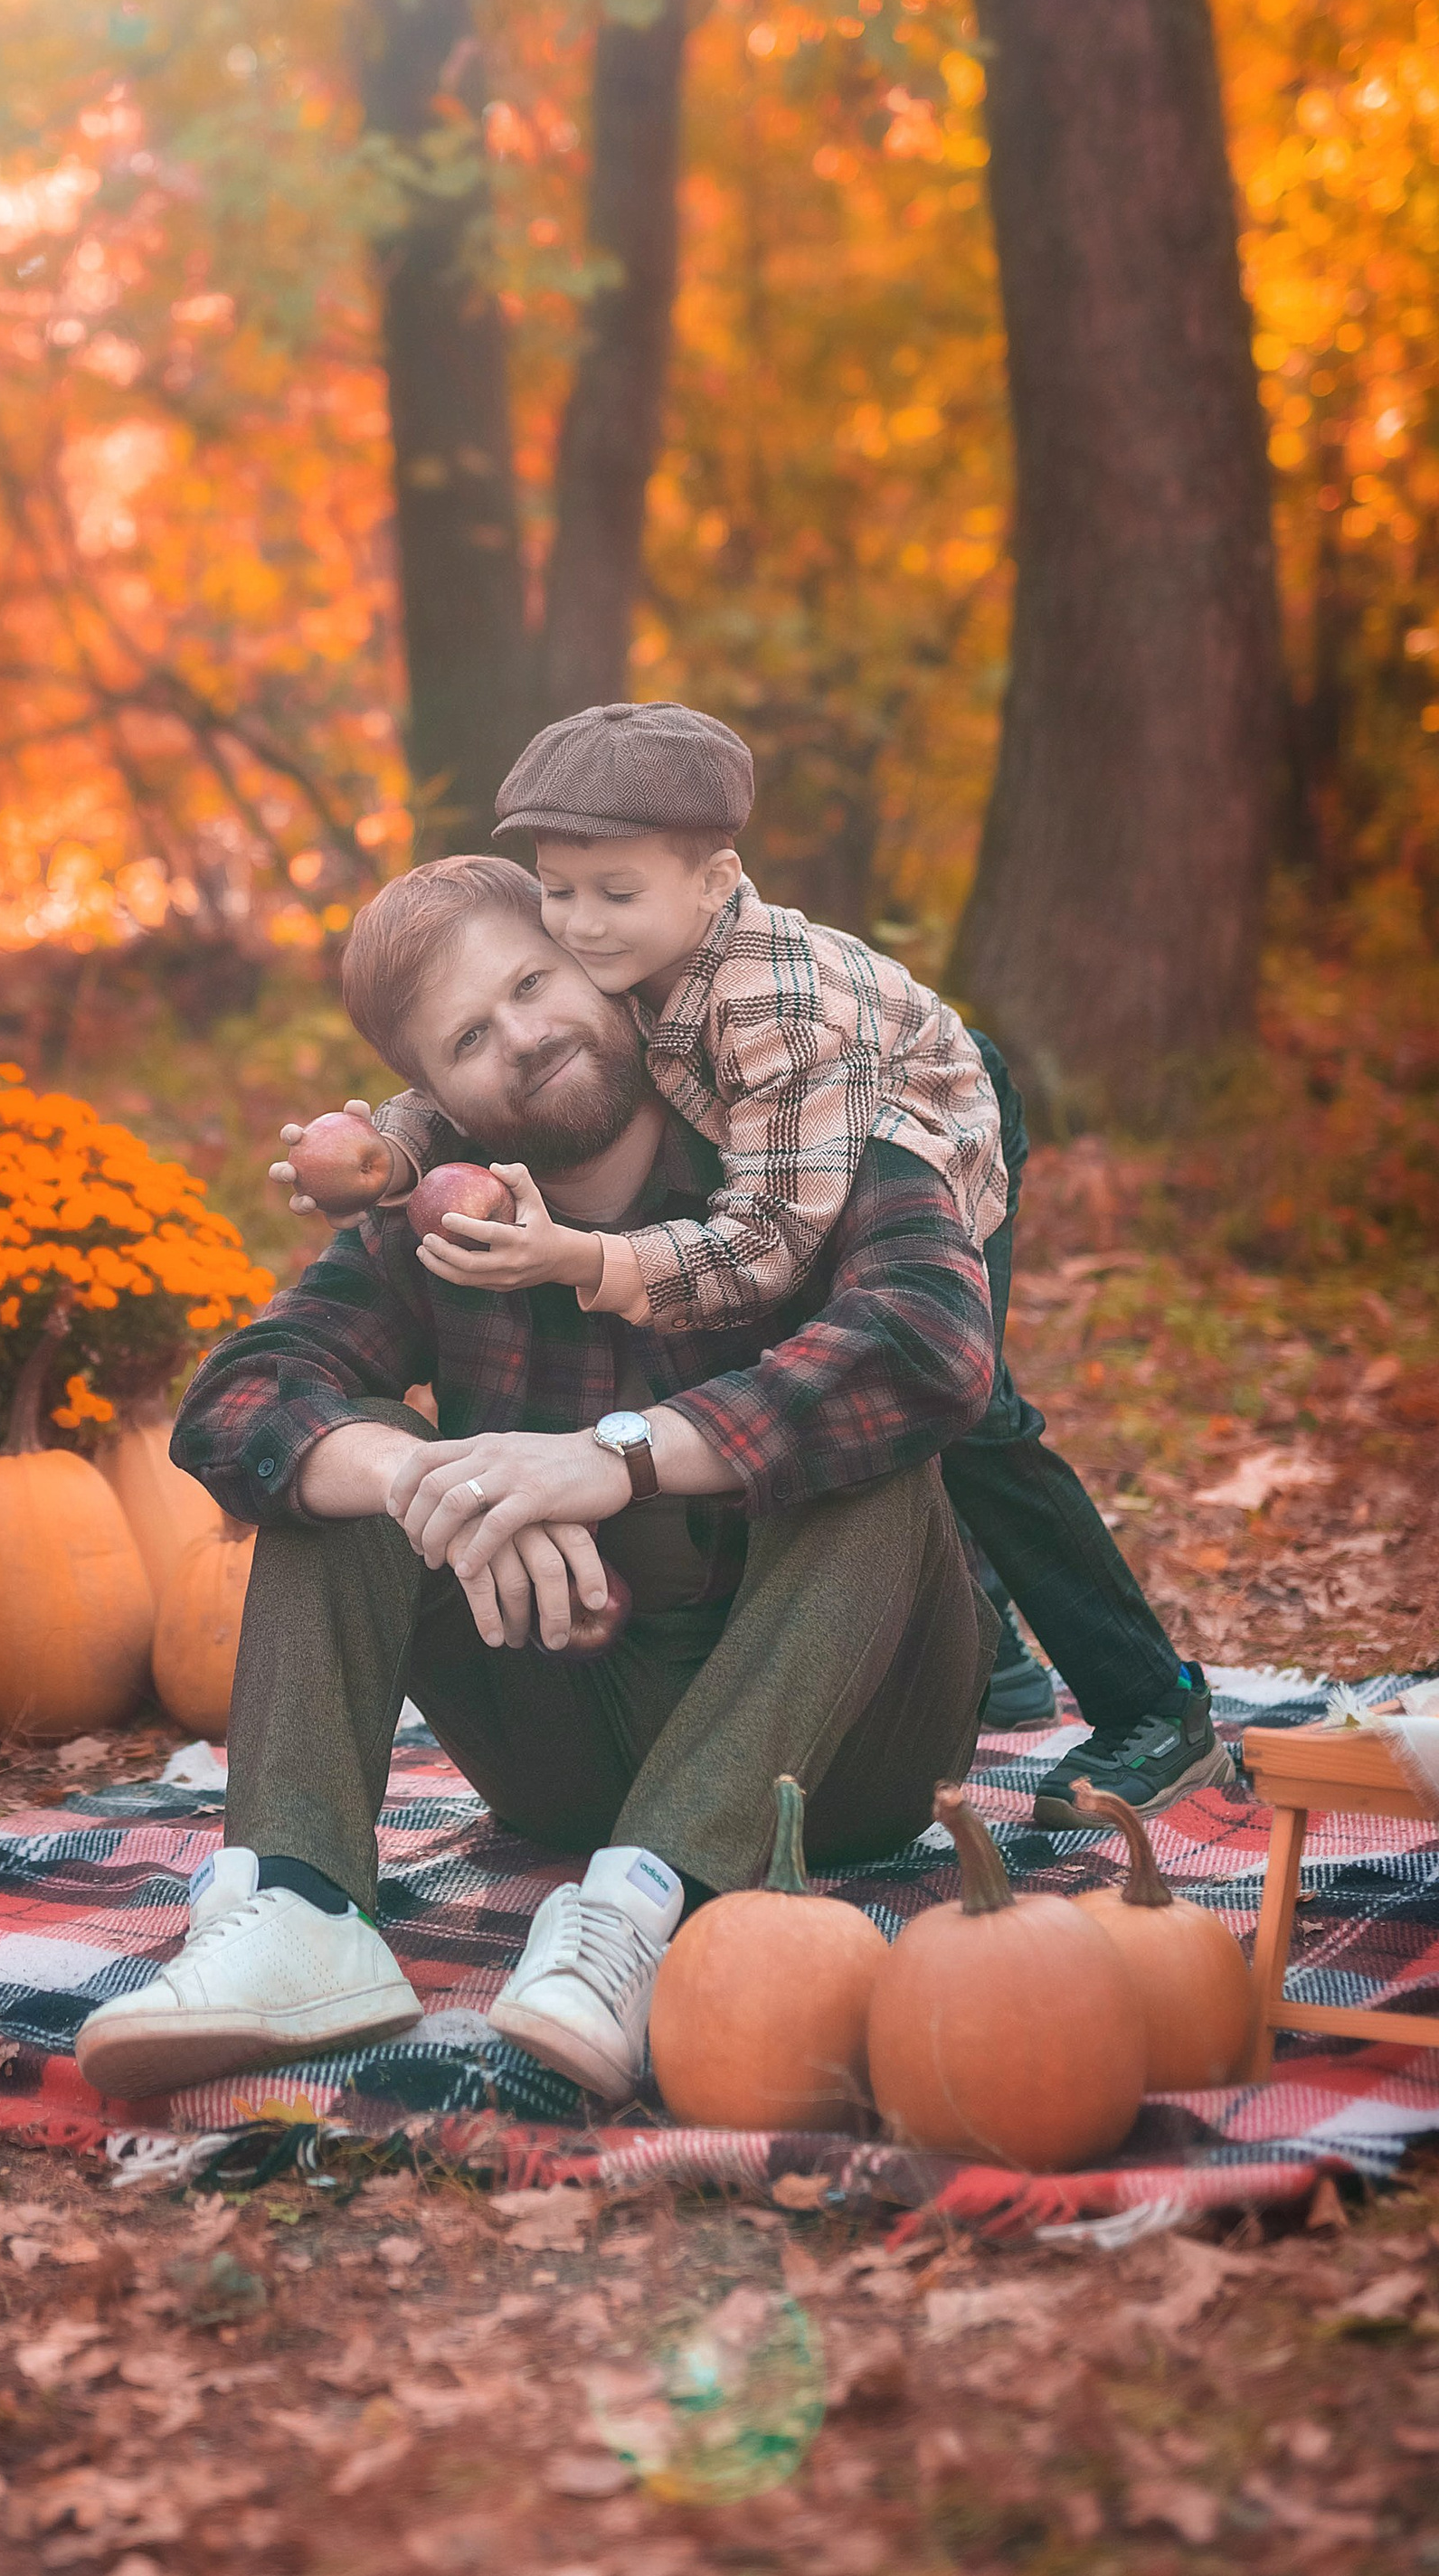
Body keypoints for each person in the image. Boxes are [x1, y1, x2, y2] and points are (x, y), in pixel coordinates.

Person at [75, 854, 1004, 2106]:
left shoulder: (801, 1123)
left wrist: (606, 1460)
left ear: (603, 964)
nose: (521, 1035)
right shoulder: (441, 1214)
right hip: (568, 1738)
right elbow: (236, 1400)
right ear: (431, 1088)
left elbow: (933, 1340)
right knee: (332, 1450)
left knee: (866, 1434)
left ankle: (653, 1906)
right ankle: (302, 1909)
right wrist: (433, 1480)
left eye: (533, 981)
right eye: (469, 1034)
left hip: (844, 1749)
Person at [274, 703, 1226, 1833]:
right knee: (860, 1401)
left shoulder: (778, 1018)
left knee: (961, 1412)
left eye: (610, 896)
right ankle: (996, 1654)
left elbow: (766, 1243)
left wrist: (592, 1260)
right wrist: (394, 1148)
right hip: (785, 1139)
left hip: (927, 1117)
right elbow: (471, 1061)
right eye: (559, 894)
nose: (577, 931)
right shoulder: (612, 954)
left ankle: (1155, 1706)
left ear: (714, 878)